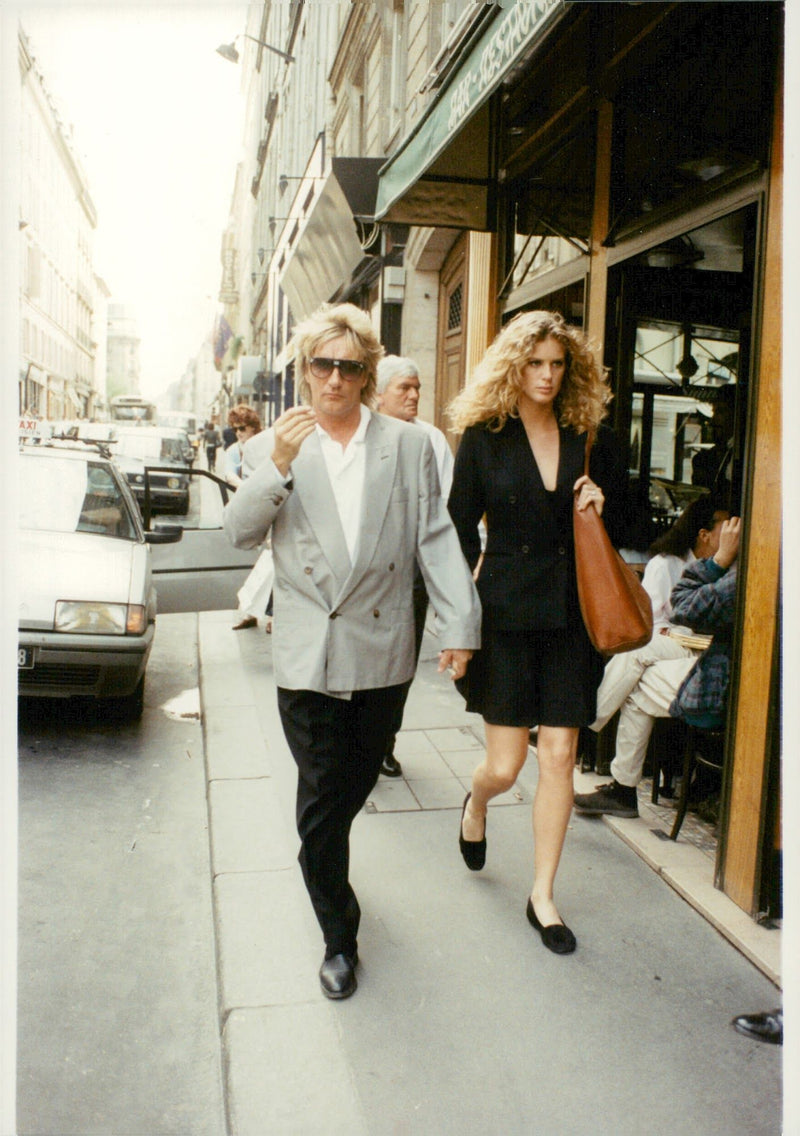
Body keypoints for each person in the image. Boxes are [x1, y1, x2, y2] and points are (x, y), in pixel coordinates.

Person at [223, 302, 481, 999]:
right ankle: (340, 933)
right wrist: (274, 465)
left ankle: (327, 872)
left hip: (381, 649)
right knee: (321, 802)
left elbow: (434, 537)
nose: (334, 378)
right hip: (307, 653)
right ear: (304, 371)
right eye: (321, 364)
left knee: (352, 786)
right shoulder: (270, 445)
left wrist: (459, 624)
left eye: (349, 366)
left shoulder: (405, 444)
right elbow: (238, 535)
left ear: (367, 374)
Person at [446, 309, 625, 956]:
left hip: (570, 616)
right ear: (513, 366)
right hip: (506, 615)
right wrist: (455, 625)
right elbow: (458, 535)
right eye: (535, 363)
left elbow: (622, 516)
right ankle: (476, 802)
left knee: (557, 758)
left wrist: (599, 506)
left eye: (557, 364)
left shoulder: (586, 436)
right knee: (505, 762)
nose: (547, 376)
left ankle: (542, 894)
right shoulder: (483, 435)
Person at [574, 516, 740, 818]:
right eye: (727, 526)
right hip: (703, 657)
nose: (733, 532)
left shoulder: (742, 568)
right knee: (638, 664)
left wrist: (720, 560)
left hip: (718, 677)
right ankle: (613, 774)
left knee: (637, 671)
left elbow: (686, 607)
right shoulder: (669, 562)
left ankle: (584, 731)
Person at [374, 355, 455, 777]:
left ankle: (385, 741)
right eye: (404, 388)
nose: (414, 395)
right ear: (380, 393)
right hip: (368, 571)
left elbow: (446, 511)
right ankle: (360, 742)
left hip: (413, 573)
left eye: (418, 388)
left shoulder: (431, 440)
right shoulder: (364, 436)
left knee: (402, 663)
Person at [224, 404, 262, 489]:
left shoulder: (265, 444)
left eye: (242, 428)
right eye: (234, 429)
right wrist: (245, 488)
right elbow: (230, 474)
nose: (238, 432)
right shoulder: (233, 450)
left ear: (252, 426)